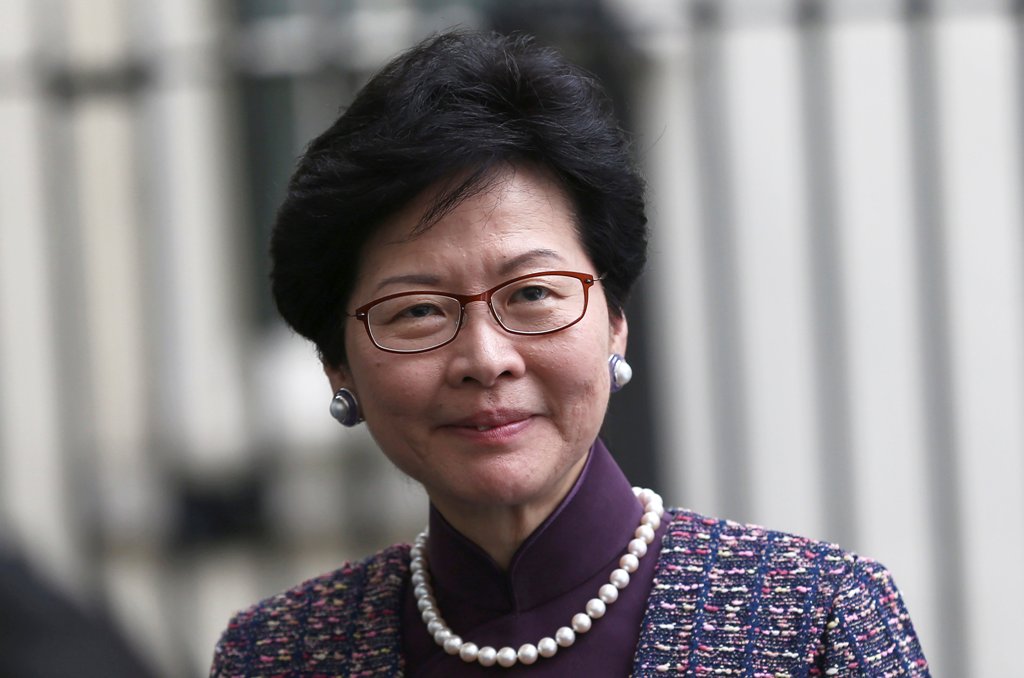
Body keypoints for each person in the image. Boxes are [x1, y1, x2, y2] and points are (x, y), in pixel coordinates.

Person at [210, 31, 928, 676]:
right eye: (419, 311)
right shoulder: (281, 654)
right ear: (340, 366)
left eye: (531, 295)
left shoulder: (809, 625)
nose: (486, 359)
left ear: (614, 319)